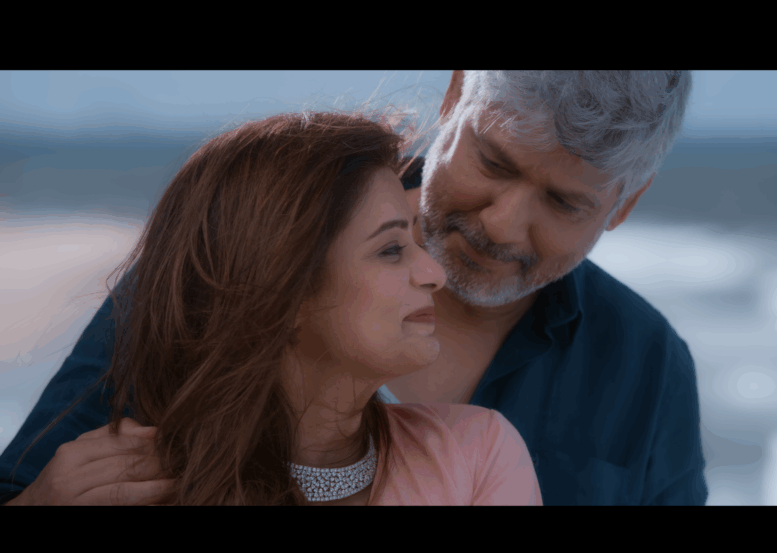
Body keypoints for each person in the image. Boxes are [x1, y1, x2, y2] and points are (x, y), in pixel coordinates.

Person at [2, 70, 707, 505]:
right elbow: (28, 484)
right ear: (455, 92)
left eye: (563, 203)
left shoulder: (648, 367)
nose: (504, 224)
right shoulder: (237, 256)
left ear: (624, 205)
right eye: (494, 162)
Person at [1, 108, 541, 505]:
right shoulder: (120, 485)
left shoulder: (476, 454)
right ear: (283, 296)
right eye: (391, 250)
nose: (435, 275)